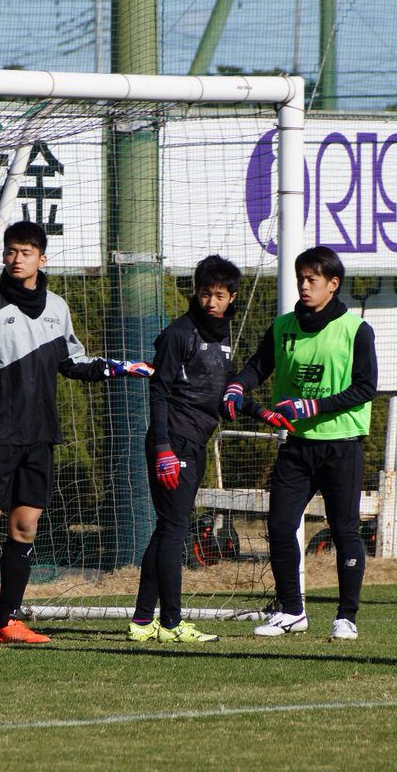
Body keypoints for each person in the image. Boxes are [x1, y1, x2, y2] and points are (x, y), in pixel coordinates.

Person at [0, 220, 153, 646]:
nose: (16, 259)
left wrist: (117, 367)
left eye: (25, 252)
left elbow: (72, 362)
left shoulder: (57, 307)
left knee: (25, 529)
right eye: (10, 252)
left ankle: (7, 621)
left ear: (42, 258)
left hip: (39, 437)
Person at [223, 246, 377, 641]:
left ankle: (347, 616)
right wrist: (240, 385)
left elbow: (365, 388)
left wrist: (312, 405)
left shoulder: (356, 329)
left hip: (342, 444)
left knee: (344, 531)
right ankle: (292, 610)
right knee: (279, 526)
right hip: (296, 445)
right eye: (301, 279)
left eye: (313, 279)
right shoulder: (284, 325)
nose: (304, 286)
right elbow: (260, 364)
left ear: (333, 284)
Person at [128, 255, 282, 643]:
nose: (211, 302)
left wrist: (259, 410)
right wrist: (162, 446)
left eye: (219, 295)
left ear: (231, 297)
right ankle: (172, 623)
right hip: (173, 441)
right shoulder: (178, 334)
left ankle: (143, 622)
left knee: (166, 530)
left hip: (196, 440)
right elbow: (159, 392)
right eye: (204, 294)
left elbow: (224, 389)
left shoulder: (224, 336)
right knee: (176, 530)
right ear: (195, 293)